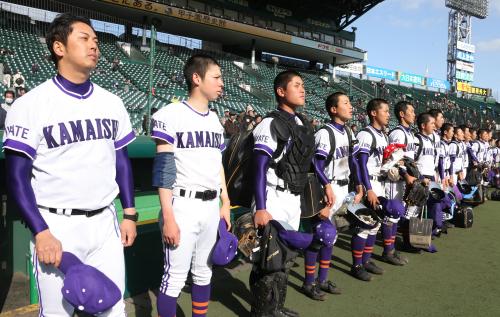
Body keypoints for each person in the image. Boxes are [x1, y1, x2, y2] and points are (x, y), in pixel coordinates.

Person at [2, 13, 137, 316]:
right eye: (85, 38)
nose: (95, 46)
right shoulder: (30, 104)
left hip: (105, 222)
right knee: (56, 313)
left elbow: (121, 160)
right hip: (57, 225)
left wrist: (129, 212)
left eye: (97, 41)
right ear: (59, 48)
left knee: (113, 309)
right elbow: (16, 177)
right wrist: (41, 231)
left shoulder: (112, 102)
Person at [151, 54, 230, 317]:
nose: (221, 83)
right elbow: (163, 169)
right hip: (182, 204)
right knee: (174, 277)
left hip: (210, 205)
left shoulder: (215, 119)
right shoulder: (170, 114)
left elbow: (217, 163)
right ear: (197, 78)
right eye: (216, 77)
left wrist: (225, 202)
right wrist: (169, 217)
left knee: (204, 272)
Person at [251, 70, 316, 316]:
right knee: (268, 260)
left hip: (293, 197)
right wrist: (261, 207)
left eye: (303, 85)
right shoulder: (270, 123)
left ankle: (276, 308)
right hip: (272, 195)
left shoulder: (301, 123)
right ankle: (261, 313)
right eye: (296, 85)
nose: (302, 90)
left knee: (285, 258)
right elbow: (259, 167)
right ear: (281, 91)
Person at [301, 92, 363, 300]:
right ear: (333, 109)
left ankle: (323, 279)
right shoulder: (325, 133)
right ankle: (309, 282)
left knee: (331, 238)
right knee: (320, 237)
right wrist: (326, 187)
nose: (351, 106)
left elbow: (353, 162)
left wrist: (360, 185)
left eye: (350, 102)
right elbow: (316, 165)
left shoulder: (348, 132)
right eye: (346, 102)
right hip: (326, 189)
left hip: (343, 189)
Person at [351, 98, 390, 281]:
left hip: (381, 182)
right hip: (370, 184)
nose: (388, 114)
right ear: (374, 113)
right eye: (385, 111)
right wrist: (368, 188)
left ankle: (366, 261)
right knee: (364, 225)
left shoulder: (383, 135)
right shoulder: (366, 134)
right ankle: (357, 265)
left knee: (376, 225)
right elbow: (361, 164)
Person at [385, 101, 419, 256]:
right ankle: (389, 250)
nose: (414, 114)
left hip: (405, 178)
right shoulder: (398, 133)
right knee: (392, 214)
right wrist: (406, 175)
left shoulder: (409, 133)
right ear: (402, 114)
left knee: (398, 214)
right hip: (395, 179)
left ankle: (391, 248)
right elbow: (393, 160)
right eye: (411, 111)